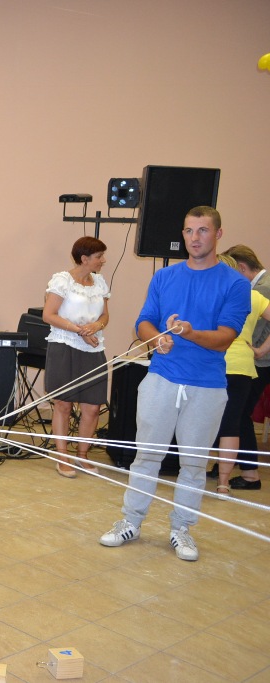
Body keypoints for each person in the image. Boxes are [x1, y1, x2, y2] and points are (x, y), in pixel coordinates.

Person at [99, 206, 249, 562]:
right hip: (161, 379)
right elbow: (144, 321)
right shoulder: (165, 277)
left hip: (206, 386)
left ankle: (181, 528)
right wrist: (156, 339)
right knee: (146, 456)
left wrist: (190, 333)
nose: (194, 238)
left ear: (218, 234)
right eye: (188, 231)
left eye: (202, 230)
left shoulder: (235, 284)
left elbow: (225, 337)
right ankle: (131, 521)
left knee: (194, 465)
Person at [42, 236, 110, 478]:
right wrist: (80, 330)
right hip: (65, 346)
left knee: (93, 406)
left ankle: (82, 455)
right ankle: (62, 456)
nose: (103, 260)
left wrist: (96, 326)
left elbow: (105, 316)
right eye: (99, 256)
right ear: (84, 259)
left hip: (93, 348)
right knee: (63, 404)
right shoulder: (62, 280)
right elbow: (49, 315)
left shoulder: (100, 282)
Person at [211, 252, 270, 494]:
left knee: (204, 421)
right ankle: (223, 483)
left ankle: (194, 473)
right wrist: (261, 350)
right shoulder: (252, 295)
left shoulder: (212, 293)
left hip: (214, 363)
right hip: (243, 367)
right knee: (231, 424)